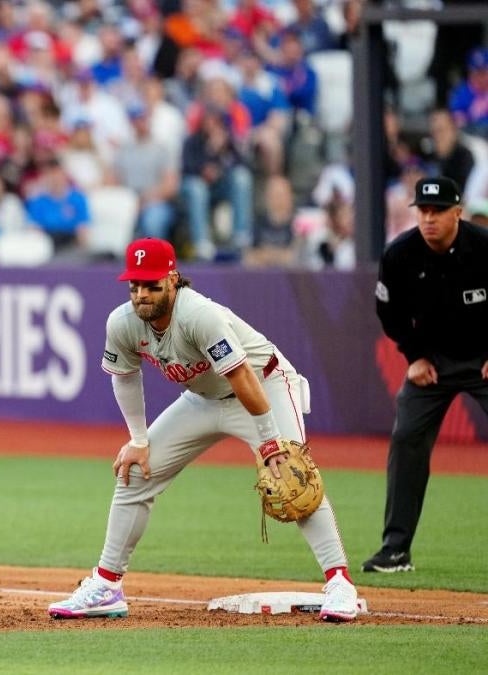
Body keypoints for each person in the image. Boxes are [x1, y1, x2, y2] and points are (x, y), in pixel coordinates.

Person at [48, 238, 359, 623]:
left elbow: (242, 375)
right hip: (203, 398)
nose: (141, 294)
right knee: (134, 475)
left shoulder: (198, 316)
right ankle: (107, 585)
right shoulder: (123, 322)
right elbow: (125, 378)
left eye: (151, 284)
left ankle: (340, 582)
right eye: (135, 286)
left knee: (291, 477)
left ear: (173, 279)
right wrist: (139, 441)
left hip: (264, 386)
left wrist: (270, 442)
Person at [364, 176, 488, 573]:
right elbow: (389, 313)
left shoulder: (483, 247)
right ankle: (395, 549)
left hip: (483, 359)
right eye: (423, 211)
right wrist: (413, 357)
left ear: (458, 212)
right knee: (406, 439)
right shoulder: (400, 254)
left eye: (438, 211)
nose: (429, 219)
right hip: (431, 362)